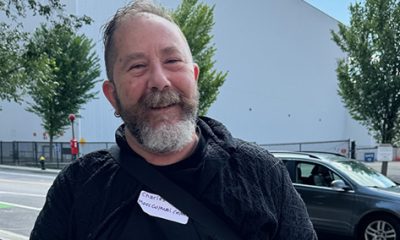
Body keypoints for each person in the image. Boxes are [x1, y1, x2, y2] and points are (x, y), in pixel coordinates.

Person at [30, 1, 317, 239]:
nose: (159, 80)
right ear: (112, 96)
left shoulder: (262, 175)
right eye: (137, 66)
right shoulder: (79, 187)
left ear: (193, 77)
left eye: (172, 61)